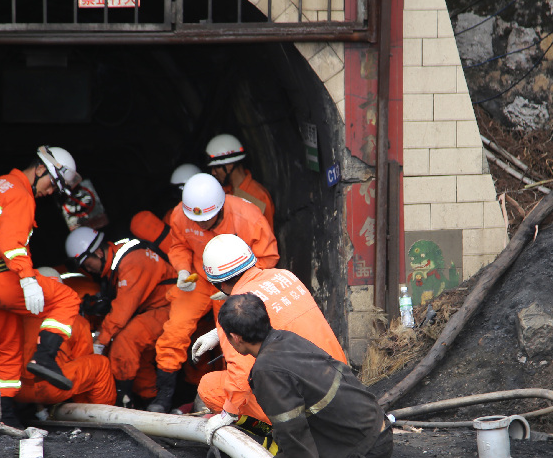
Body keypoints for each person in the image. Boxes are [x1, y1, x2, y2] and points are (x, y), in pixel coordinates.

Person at [214, 293, 395, 458]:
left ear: (235, 337)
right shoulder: (287, 338)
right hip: (381, 432)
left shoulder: (266, 370)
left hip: (366, 453)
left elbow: (291, 427)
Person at [0, 145, 83, 426]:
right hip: (3, 280)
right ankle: (45, 358)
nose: (50, 191)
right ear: (39, 168)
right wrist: (27, 279)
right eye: (52, 183)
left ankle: (3, 418)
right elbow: (11, 244)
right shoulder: (20, 193)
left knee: (7, 348)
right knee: (67, 298)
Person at [149, 172, 279, 413]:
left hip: (233, 280)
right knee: (175, 330)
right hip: (198, 277)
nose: (200, 225)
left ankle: (232, 398)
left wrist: (239, 286)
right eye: (195, 220)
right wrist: (182, 269)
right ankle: (163, 397)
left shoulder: (248, 217)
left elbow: (267, 258)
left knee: (233, 336)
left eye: (206, 220)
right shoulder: (181, 214)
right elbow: (178, 245)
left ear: (219, 208)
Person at [192, 234, 347, 423]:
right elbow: (278, 315)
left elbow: (241, 376)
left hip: (311, 405)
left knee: (209, 387)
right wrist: (218, 333)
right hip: (342, 382)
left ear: (219, 284)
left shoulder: (233, 312)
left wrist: (229, 413)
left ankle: (267, 431)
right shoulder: (285, 276)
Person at [65, 226, 176, 407]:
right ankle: (151, 401)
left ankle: (122, 398)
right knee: (133, 354)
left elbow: (123, 310)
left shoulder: (132, 261)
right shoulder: (118, 263)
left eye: (87, 264)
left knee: (125, 341)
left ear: (98, 252)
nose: (89, 269)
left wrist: (100, 341)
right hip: (154, 309)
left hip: (171, 306)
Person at [15, 268, 116, 412]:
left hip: (17, 390)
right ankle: (97, 415)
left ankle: (35, 410)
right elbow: (82, 364)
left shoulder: (14, 317)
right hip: (51, 388)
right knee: (101, 365)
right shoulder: (75, 320)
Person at [206, 134, 275, 230]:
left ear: (230, 165)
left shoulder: (258, 196)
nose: (213, 172)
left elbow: (266, 234)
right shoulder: (223, 192)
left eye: (216, 167)